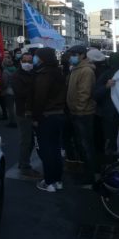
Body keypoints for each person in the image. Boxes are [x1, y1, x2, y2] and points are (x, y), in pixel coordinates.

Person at [30, 47, 67, 192]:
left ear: (42, 59)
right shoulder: (58, 73)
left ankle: (49, 181)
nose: (34, 59)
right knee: (56, 149)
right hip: (59, 115)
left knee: (46, 150)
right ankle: (57, 180)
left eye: (36, 57)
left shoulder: (43, 75)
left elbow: (40, 98)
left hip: (46, 116)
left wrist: (35, 117)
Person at [65, 45, 97, 186]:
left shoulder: (86, 71)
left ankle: (90, 175)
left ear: (82, 55)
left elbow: (84, 93)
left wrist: (78, 109)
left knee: (86, 145)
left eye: (74, 54)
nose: (71, 57)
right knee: (81, 144)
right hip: (76, 112)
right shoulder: (75, 69)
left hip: (83, 113)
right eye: (71, 54)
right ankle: (85, 171)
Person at [93, 52, 119, 157]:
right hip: (109, 115)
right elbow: (95, 94)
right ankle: (111, 165)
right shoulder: (106, 75)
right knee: (110, 143)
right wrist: (106, 87)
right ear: (118, 61)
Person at [12, 52, 40, 178]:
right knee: (26, 140)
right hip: (23, 111)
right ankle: (24, 166)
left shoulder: (34, 73)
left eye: (30, 61)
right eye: (25, 61)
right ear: (21, 62)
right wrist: (35, 88)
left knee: (30, 141)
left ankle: (23, 163)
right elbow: (20, 93)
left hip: (32, 110)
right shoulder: (17, 75)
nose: (28, 64)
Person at [1, 57, 18, 127]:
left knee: (10, 108)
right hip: (15, 90)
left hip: (8, 91)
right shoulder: (15, 70)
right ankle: (15, 120)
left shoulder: (5, 71)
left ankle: (12, 122)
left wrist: (2, 89)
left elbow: (4, 83)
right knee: (14, 107)